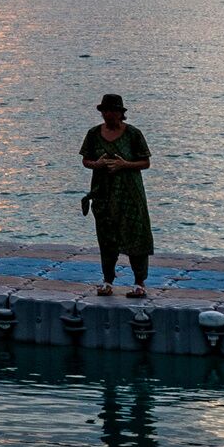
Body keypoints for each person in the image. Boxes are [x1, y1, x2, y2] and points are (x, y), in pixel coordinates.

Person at [79, 93, 152, 298]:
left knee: (136, 234)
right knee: (106, 236)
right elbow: (86, 160)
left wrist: (124, 165)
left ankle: (139, 282)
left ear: (121, 113)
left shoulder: (133, 134)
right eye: (106, 111)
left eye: (113, 111)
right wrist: (97, 164)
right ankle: (107, 280)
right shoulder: (93, 134)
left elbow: (145, 162)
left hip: (129, 193)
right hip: (103, 193)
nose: (109, 114)